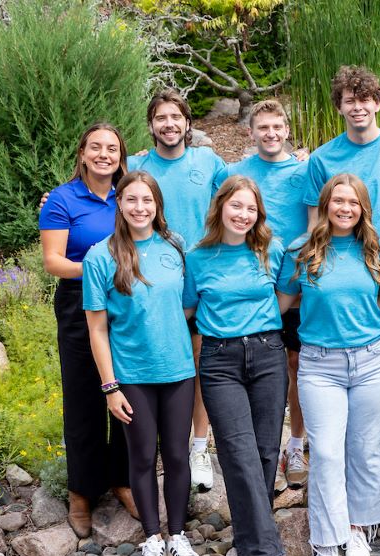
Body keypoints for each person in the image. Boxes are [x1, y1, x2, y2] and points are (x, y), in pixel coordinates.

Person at [302, 65, 380, 496]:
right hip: (341, 277)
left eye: (365, 98)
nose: (358, 106)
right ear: (340, 107)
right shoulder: (322, 159)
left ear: (378, 102)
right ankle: (340, 455)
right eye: (349, 100)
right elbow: (314, 224)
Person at [82, 171, 202, 556]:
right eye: (131, 200)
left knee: (178, 454)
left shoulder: (175, 246)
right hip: (131, 374)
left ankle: (177, 535)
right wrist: (110, 386)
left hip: (178, 370)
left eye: (147, 200)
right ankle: (151, 538)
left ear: (157, 205)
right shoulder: (101, 256)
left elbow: (187, 308)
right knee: (143, 456)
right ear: (119, 203)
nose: (139, 208)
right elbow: (97, 329)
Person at [277, 174, 380, 556]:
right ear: (325, 203)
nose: (345, 208)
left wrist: (356, 324)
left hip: (373, 359)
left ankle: (359, 528)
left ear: (363, 208)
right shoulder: (301, 249)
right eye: (338, 201)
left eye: (353, 202)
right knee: (326, 452)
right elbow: (282, 302)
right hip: (319, 364)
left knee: (366, 450)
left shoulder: (375, 249)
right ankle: (327, 541)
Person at [183, 175, 287, 556]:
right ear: (220, 207)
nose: (243, 215)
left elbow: (286, 297)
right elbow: (190, 308)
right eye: (236, 206)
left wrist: (256, 329)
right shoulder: (198, 257)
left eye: (251, 209)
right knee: (237, 451)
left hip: (266, 353)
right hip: (219, 359)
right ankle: (264, 552)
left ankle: (247, 538)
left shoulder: (271, 251)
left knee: (264, 451)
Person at [39, 122, 136, 538]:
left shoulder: (128, 195)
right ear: (81, 153)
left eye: (111, 148)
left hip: (127, 303)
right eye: (95, 147)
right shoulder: (62, 199)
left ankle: (123, 479)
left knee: (130, 391)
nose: (103, 154)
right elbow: (54, 261)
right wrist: (101, 270)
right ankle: (82, 491)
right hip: (79, 304)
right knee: (84, 397)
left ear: (121, 155)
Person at [131, 89, 229, 492]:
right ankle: (157, 449)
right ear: (151, 124)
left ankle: (199, 446)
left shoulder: (208, 162)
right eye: (161, 117)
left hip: (200, 276)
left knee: (199, 360)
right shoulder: (137, 164)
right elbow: (103, 192)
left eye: (176, 117)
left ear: (188, 123)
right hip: (152, 279)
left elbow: (241, 195)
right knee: (156, 361)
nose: (169, 124)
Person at [229, 99, 310, 489]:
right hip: (249, 284)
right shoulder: (235, 173)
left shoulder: (305, 169)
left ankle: (295, 444)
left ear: (287, 130)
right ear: (251, 132)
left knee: (295, 364)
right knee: (252, 368)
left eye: (277, 126)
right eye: (263, 127)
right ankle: (256, 449)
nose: (271, 134)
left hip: (293, 284)